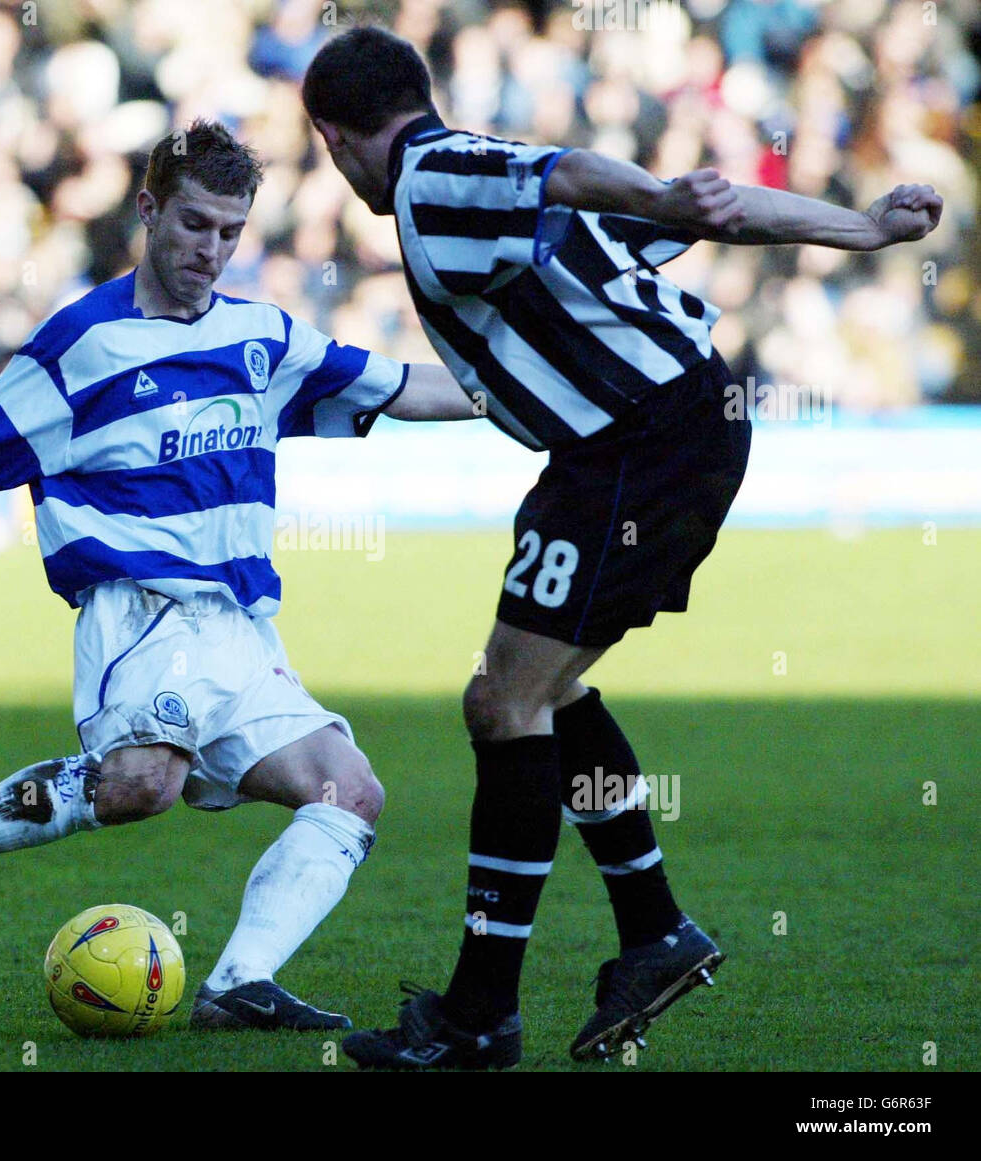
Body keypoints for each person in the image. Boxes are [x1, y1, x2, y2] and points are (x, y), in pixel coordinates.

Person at [0, 119, 476, 1033]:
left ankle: (238, 983)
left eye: (230, 232)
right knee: (140, 785)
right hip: (139, 614)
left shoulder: (263, 337)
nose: (211, 250)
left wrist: (533, 393)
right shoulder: (80, 346)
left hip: (241, 631)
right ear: (149, 207)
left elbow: (401, 386)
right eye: (195, 224)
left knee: (350, 792)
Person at [301, 25, 943, 1068]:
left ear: (332, 136)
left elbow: (592, 174)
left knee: (501, 702)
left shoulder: (435, 179)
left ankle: (480, 1020)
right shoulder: (497, 189)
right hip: (652, 438)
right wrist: (860, 233)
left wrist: (660, 195)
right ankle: (651, 935)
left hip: (637, 442)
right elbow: (719, 210)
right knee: (542, 694)